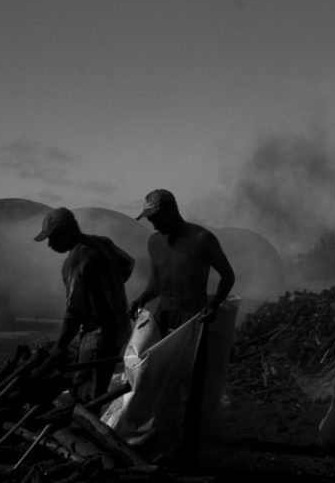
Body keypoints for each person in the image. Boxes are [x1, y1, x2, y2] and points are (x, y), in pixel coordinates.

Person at [128, 189, 236, 470]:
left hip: (192, 321)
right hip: (163, 318)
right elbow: (157, 283)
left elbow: (228, 275)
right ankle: (159, 442)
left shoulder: (202, 239)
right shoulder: (154, 242)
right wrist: (141, 298)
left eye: (155, 217)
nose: (152, 223)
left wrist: (215, 305)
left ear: (171, 210)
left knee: (190, 388)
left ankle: (187, 453)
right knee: (157, 381)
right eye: (149, 218)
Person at [34, 207, 135, 408]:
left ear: (65, 232)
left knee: (87, 394)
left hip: (98, 335)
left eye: (52, 238)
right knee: (94, 382)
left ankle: (84, 433)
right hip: (120, 327)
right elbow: (128, 264)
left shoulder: (75, 261)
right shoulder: (102, 243)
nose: (49, 245)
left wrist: (60, 346)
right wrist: (109, 288)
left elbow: (74, 311)